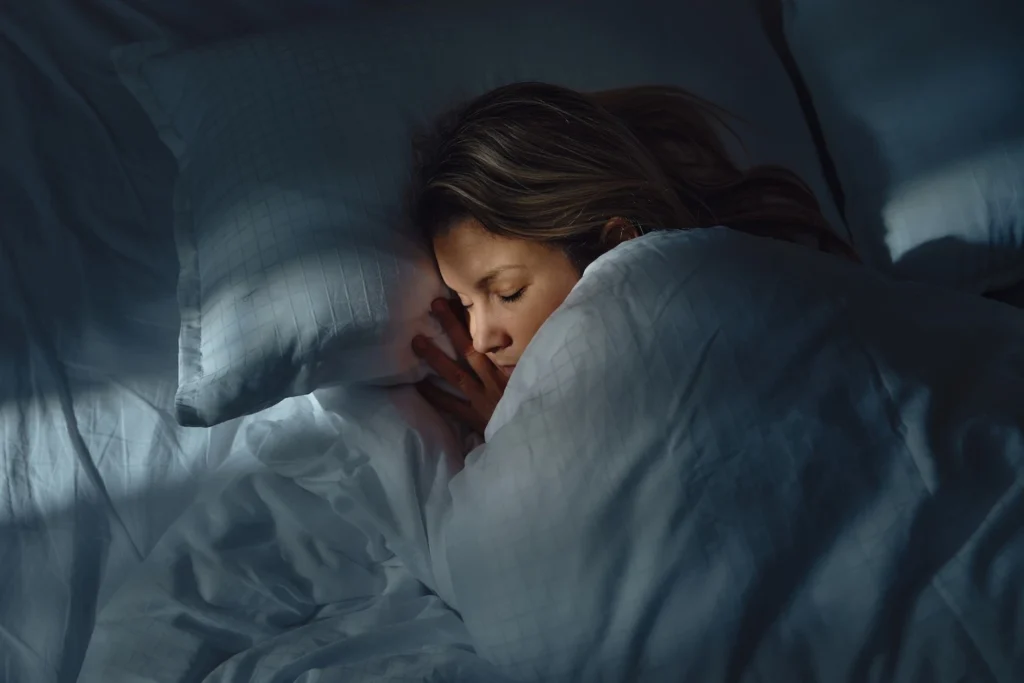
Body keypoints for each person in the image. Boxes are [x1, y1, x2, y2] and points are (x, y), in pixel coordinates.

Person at [407, 81, 857, 439]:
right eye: (463, 302)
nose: (481, 338)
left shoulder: (756, 290)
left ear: (614, 246)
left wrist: (520, 440)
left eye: (509, 293)